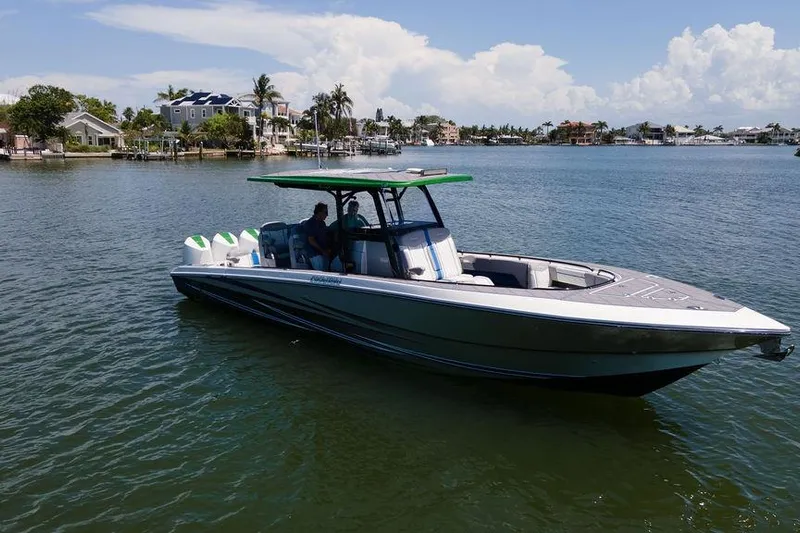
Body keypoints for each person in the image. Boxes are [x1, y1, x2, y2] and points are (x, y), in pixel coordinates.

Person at [303, 202, 332, 270]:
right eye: (326, 212)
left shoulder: (322, 223)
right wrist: (323, 251)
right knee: (321, 269)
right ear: (319, 212)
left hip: (323, 251)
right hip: (313, 253)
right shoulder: (310, 223)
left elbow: (325, 236)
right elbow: (311, 240)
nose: (327, 215)